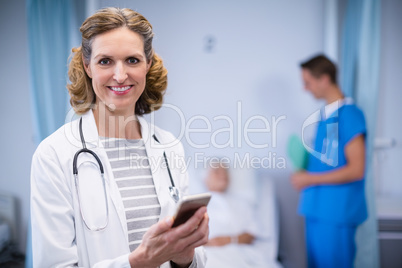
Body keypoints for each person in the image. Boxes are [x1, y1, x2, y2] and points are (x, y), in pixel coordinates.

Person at [30, 7, 208, 268]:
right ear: (87, 66)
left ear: (147, 64)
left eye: (132, 60)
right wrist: (138, 262)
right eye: (105, 61)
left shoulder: (169, 146)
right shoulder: (54, 155)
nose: (120, 75)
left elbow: (192, 261)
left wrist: (186, 258)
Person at [291, 54, 367, 268]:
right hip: (317, 209)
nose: (305, 88)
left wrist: (310, 179)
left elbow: (357, 169)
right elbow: (327, 162)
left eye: (307, 82)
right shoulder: (325, 117)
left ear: (324, 79)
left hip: (336, 213)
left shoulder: (350, 114)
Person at [203, 161, 272, 268]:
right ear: (205, 178)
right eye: (217, 172)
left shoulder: (242, 203)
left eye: (225, 172)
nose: (222, 175)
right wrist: (209, 243)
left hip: (242, 253)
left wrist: (228, 240)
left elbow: (252, 233)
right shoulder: (198, 206)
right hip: (210, 254)